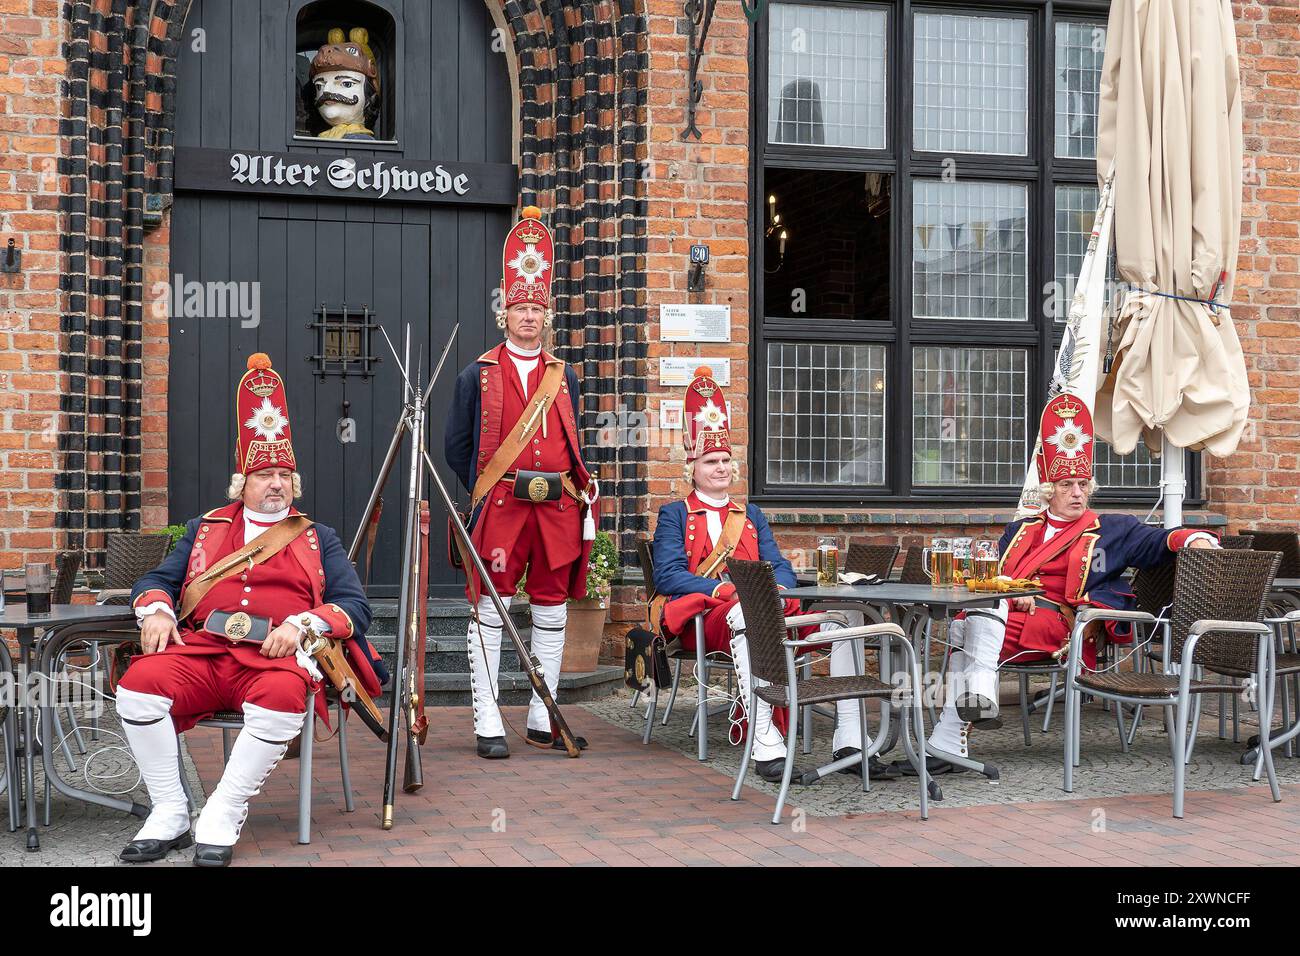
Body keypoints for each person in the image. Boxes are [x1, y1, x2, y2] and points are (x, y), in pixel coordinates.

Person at [118, 353, 386, 865]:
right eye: (265, 474)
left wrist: (302, 623)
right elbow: (158, 580)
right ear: (242, 483)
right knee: (137, 686)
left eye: (285, 474)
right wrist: (155, 610)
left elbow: (353, 606)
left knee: (285, 692)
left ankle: (224, 808)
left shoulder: (317, 537)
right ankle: (171, 811)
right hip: (203, 651)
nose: (277, 483)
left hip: (274, 657)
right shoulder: (206, 527)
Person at [925, 394, 1217, 771]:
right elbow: (992, 578)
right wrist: (1014, 597)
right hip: (1008, 616)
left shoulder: (1112, 528)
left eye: (1082, 484)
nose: (1077, 492)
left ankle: (971, 703)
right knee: (978, 615)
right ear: (1050, 491)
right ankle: (950, 740)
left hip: (1060, 625)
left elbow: (1157, 541)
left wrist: (1192, 537)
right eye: (1066, 484)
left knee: (967, 630)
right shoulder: (1020, 529)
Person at [651, 367, 871, 782]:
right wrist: (723, 586)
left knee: (848, 617)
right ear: (692, 467)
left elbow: (779, 564)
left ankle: (851, 738)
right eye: (711, 461)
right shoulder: (675, 515)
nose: (721, 469)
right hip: (712, 616)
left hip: (767, 610)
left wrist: (781, 587)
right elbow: (668, 576)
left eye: (726, 462)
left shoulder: (751, 515)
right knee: (746, 613)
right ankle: (764, 737)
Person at [444, 205, 599, 759]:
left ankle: (542, 718)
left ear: (546, 314)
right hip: (504, 507)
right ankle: (487, 722)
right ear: (504, 314)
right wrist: (487, 490)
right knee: (493, 609)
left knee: (552, 608)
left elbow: (573, 441)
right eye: (520, 308)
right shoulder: (476, 374)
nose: (528, 317)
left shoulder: (567, 376)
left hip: (556, 510)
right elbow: (457, 448)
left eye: (536, 308)